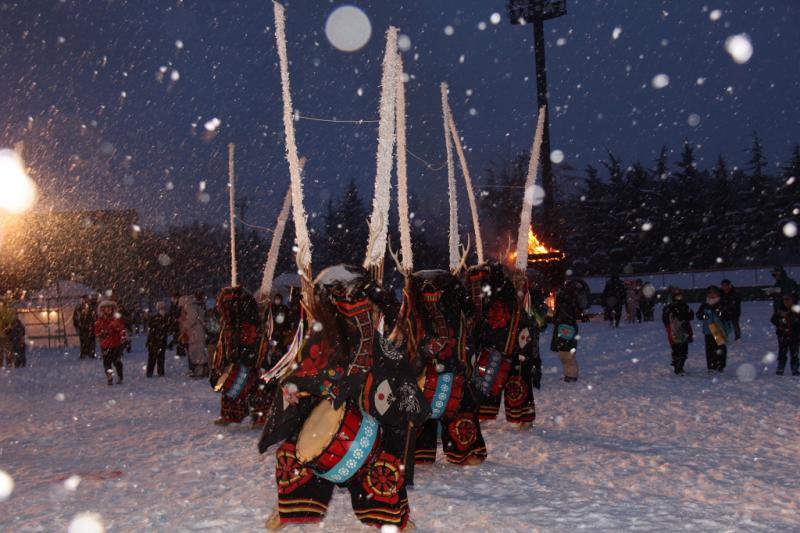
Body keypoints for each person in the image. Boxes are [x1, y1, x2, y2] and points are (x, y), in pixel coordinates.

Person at [550, 279, 585, 382]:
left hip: (566, 326)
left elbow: (572, 312)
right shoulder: (566, 298)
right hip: (565, 326)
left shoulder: (568, 298)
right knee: (564, 352)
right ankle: (569, 374)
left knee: (567, 353)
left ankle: (571, 375)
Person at [696, 286, 735, 374]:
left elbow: (728, 315)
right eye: (710, 293)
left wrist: (720, 313)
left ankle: (720, 365)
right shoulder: (705, 304)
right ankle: (711, 366)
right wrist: (704, 316)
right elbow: (698, 315)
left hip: (718, 329)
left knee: (720, 348)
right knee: (710, 349)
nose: (712, 295)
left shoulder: (722, 303)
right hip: (708, 330)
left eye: (714, 292)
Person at [661, 287, 694, 375]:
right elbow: (666, 320)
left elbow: (690, 315)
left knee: (684, 350)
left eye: (680, 296)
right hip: (675, 331)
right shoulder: (669, 308)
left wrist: (685, 316)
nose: (679, 297)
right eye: (677, 296)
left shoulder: (684, 305)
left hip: (684, 330)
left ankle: (680, 367)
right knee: (677, 349)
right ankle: (678, 368)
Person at [94, 300, 127, 385]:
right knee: (107, 363)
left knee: (117, 362)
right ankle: (109, 377)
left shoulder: (116, 319)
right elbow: (97, 331)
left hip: (116, 344)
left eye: (110, 307)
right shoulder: (100, 320)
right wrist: (102, 333)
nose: (108, 309)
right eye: (106, 308)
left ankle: (120, 376)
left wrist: (121, 335)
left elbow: (121, 329)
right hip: (105, 345)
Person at [178, 295, 209, 378]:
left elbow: (191, 320)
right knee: (199, 352)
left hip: (195, 334)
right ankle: (204, 371)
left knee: (196, 353)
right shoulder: (194, 306)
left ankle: (200, 372)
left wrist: (185, 326)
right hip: (197, 333)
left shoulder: (190, 308)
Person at [770, 293, 800, 376]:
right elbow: (773, 319)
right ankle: (780, 368)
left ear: (792, 300)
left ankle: (795, 369)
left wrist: (793, 320)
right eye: (784, 300)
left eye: (787, 299)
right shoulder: (780, 309)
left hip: (794, 335)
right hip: (783, 335)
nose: (785, 301)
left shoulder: (797, 309)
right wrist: (780, 322)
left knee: (794, 353)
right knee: (782, 353)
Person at [146, 302, 170, 377]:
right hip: (155, 340)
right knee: (153, 357)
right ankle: (151, 372)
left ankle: (159, 371)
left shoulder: (166, 318)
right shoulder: (155, 318)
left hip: (159, 341)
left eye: (163, 308)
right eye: (161, 308)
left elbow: (167, 329)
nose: (162, 310)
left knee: (159, 357)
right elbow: (151, 330)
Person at [0, 300, 19, 367]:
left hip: (3, 335)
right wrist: (9, 327)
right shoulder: (11, 311)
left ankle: (1, 364)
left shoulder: (6, 311)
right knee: (9, 350)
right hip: (8, 335)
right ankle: (9, 364)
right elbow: (14, 321)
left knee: (2, 351)